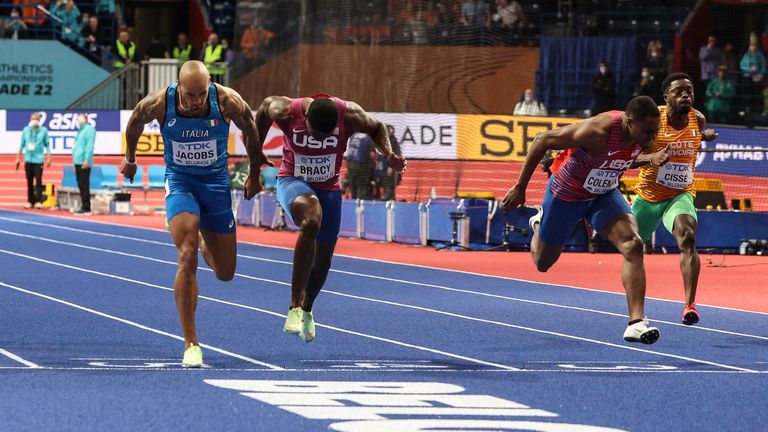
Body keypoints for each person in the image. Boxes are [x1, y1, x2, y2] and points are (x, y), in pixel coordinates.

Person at [120, 60, 270, 367]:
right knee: (185, 255)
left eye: (202, 94)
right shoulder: (160, 103)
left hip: (215, 186)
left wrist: (255, 174)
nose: (197, 100)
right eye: (190, 95)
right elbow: (135, 121)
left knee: (225, 273)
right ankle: (191, 343)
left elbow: (251, 129)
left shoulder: (227, 100)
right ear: (179, 87)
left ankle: (205, 242)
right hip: (180, 182)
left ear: (210, 86)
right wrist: (130, 158)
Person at [501, 95, 664, 344]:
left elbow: (622, 158)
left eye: (655, 131)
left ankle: (636, 322)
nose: (652, 137)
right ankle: (538, 223)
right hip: (567, 195)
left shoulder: (644, 135)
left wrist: (650, 158)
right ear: (629, 122)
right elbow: (541, 140)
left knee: (634, 244)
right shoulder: (596, 131)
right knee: (543, 262)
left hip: (603, 194)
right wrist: (520, 187)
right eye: (647, 132)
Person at [255, 94, 406, 342]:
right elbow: (262, 110)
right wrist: (255, 158)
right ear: (306, 120)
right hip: (293, 181)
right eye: (316, 136)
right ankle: (293, 306)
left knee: (323, 261)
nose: (321, 141)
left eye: (328, 137)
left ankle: (306, 308)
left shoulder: (350, 115)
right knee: (311, 221)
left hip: (328, 188)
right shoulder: (286, 111)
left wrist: (387, 154)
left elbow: (377, 127)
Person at [632, 73, 719, 326]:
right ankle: (637, 309)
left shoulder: (698, 119)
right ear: (666, 96)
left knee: (688, 237)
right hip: (648, 197)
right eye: (679, 91)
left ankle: (689, 305)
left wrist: (703, 136)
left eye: (689, 91)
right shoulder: (651, 121)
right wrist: (651, 158)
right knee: (631, 247)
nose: (686, 95)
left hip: (680, 194)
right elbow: (627, 158)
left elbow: (689, 136)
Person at [16, 113, 51, 209]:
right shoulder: (26, 130)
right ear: (30, 119)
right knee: (29, 180)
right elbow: (22, 144)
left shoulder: (43, 131)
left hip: (38, 159)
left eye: (36, 119)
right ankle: (30, 200)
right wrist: (18, 157)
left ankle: (38, 201)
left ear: (39, 120)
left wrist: (48, 157)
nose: (34, 120)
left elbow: (47, 144)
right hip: (28, 159)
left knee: (38, 180)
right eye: (33, 118)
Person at [72, 113, 96, 215]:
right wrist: (74, 162)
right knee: (81, 185)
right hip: (77, 161)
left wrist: (87, 159)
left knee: (84, 184)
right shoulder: (80, 130)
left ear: (86, 119)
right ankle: (83, 205)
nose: (79, 119)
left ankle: (87, 207)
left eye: (81, 117)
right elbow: (76, 147)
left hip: (84, 161)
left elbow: (89, 146)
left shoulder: (89, 130)